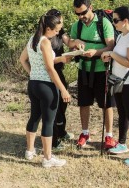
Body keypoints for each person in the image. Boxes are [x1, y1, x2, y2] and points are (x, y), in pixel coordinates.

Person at [20, 12, 72, 168]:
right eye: (56, 30)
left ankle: (29, 151)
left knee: (34, 117)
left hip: (33, 85)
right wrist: (63, 90)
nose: (57, 33)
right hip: (47, 87)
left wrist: (33, 73)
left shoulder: (32, 39)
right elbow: (50, 69)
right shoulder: (46, 42)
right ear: (48, 28)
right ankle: (48, 158)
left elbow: (23, 59)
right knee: (48, 122)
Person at [68, 0, 117, 149]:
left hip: (102, 71)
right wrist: (75, 44)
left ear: (90, 7)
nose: (81, 17)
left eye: (83, 13)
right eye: (77, 14)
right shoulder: (77, 26)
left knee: (106, 104)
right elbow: (70, 44)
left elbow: (111, 47)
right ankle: (84, 133)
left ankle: (108, 136)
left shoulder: (104, 24)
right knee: (84, 103)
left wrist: (95, 52)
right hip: (83, 69)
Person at [101, 6, 129, 166]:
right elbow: (118, 57)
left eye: (115, 20)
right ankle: (122, 143)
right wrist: (109, 58)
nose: (113, 23)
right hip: (118, 80)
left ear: (125, 21)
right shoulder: (121, 36)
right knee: (122, 113)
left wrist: (112, 54)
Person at [45, 9, 74, 151]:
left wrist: (77, 45)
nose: (61, 25)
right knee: (54, 106)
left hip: (59, 72)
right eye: (60, 22)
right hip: (51, 73)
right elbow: (48, 62)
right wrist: (61, 59)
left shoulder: (59, 32)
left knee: (63, 103)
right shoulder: (45, 38)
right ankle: (54, 140)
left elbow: (69, 42)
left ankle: (61, 131)